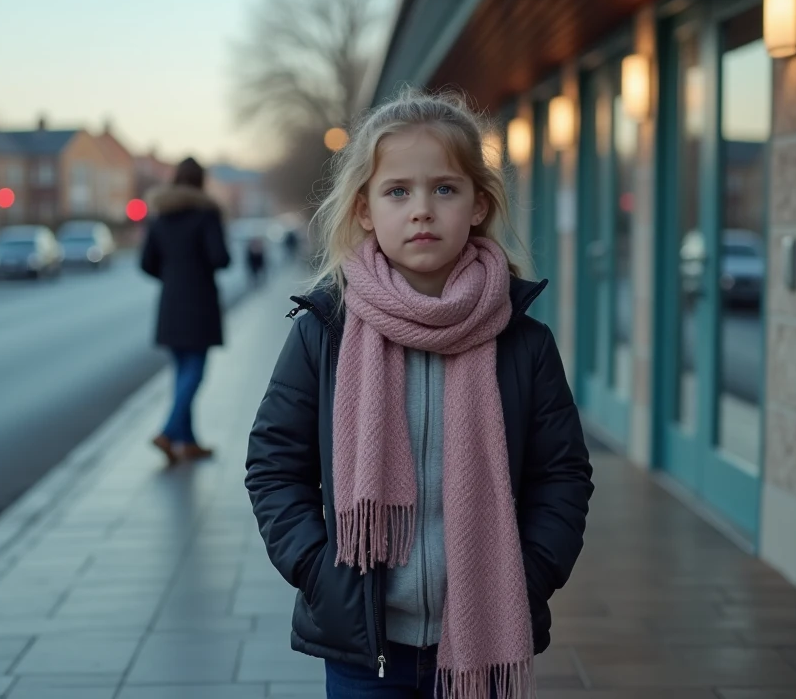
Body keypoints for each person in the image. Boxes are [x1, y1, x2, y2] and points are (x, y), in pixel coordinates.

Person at [244, 89, 594, 699]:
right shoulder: (324, 332)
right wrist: (321, 575)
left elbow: (562, 476)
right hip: (365, 648)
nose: (422, 210)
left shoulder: (523, 341)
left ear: (479, 205)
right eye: (398, 191)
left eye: (445, 189)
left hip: (485, 639)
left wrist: (527, 576)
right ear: (365, 209)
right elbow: (274, 468)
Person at [141, 156, 231, 464]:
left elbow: (146, 263)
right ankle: (167, 433)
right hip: (200, 302)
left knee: (181, 371)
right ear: (201, 181)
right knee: (194, 372)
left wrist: (172, 275)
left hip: (170, 302)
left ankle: (187, 441)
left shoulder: (161, 215)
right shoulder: (206, 214)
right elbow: (220, 258)